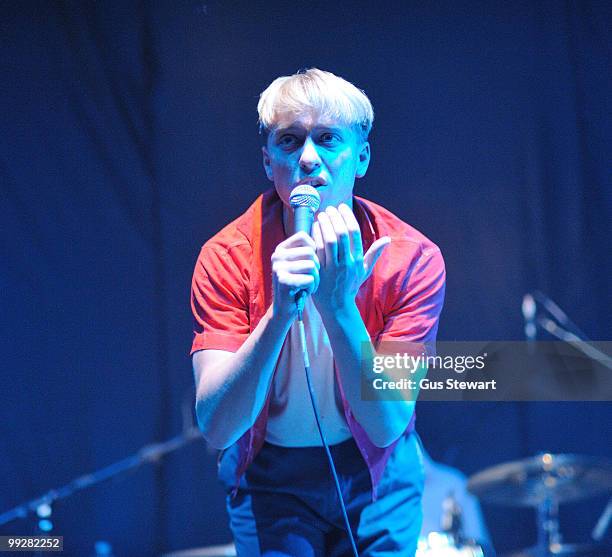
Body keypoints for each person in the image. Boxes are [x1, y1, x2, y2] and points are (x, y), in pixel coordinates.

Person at [191, 68, 446, 556]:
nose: (308, 159)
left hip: (376, 472)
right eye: (289, 141)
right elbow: (218, 425)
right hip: (271, 478)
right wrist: (278, 315)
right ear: (269, 163)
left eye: (328, 139)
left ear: (362, 157)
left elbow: (388, 422)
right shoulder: (226, 257)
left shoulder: (412, 258)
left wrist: (336, 304)